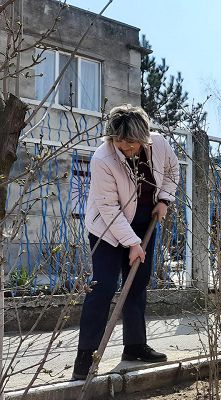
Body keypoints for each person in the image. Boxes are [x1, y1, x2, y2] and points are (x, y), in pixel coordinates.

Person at [72, 105, 180, 380]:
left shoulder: (160, 145)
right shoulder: (103, 159)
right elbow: (108, 208)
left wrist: (165, 200)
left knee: (137, 284)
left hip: (145, 222)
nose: (125, 148)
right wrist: (132, 243)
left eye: (131, 142)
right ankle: (85, 358)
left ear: (144, 137)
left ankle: (134, 346)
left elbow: (172, 171)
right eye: (119, 142)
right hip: (107, 229)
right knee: (103, 287)